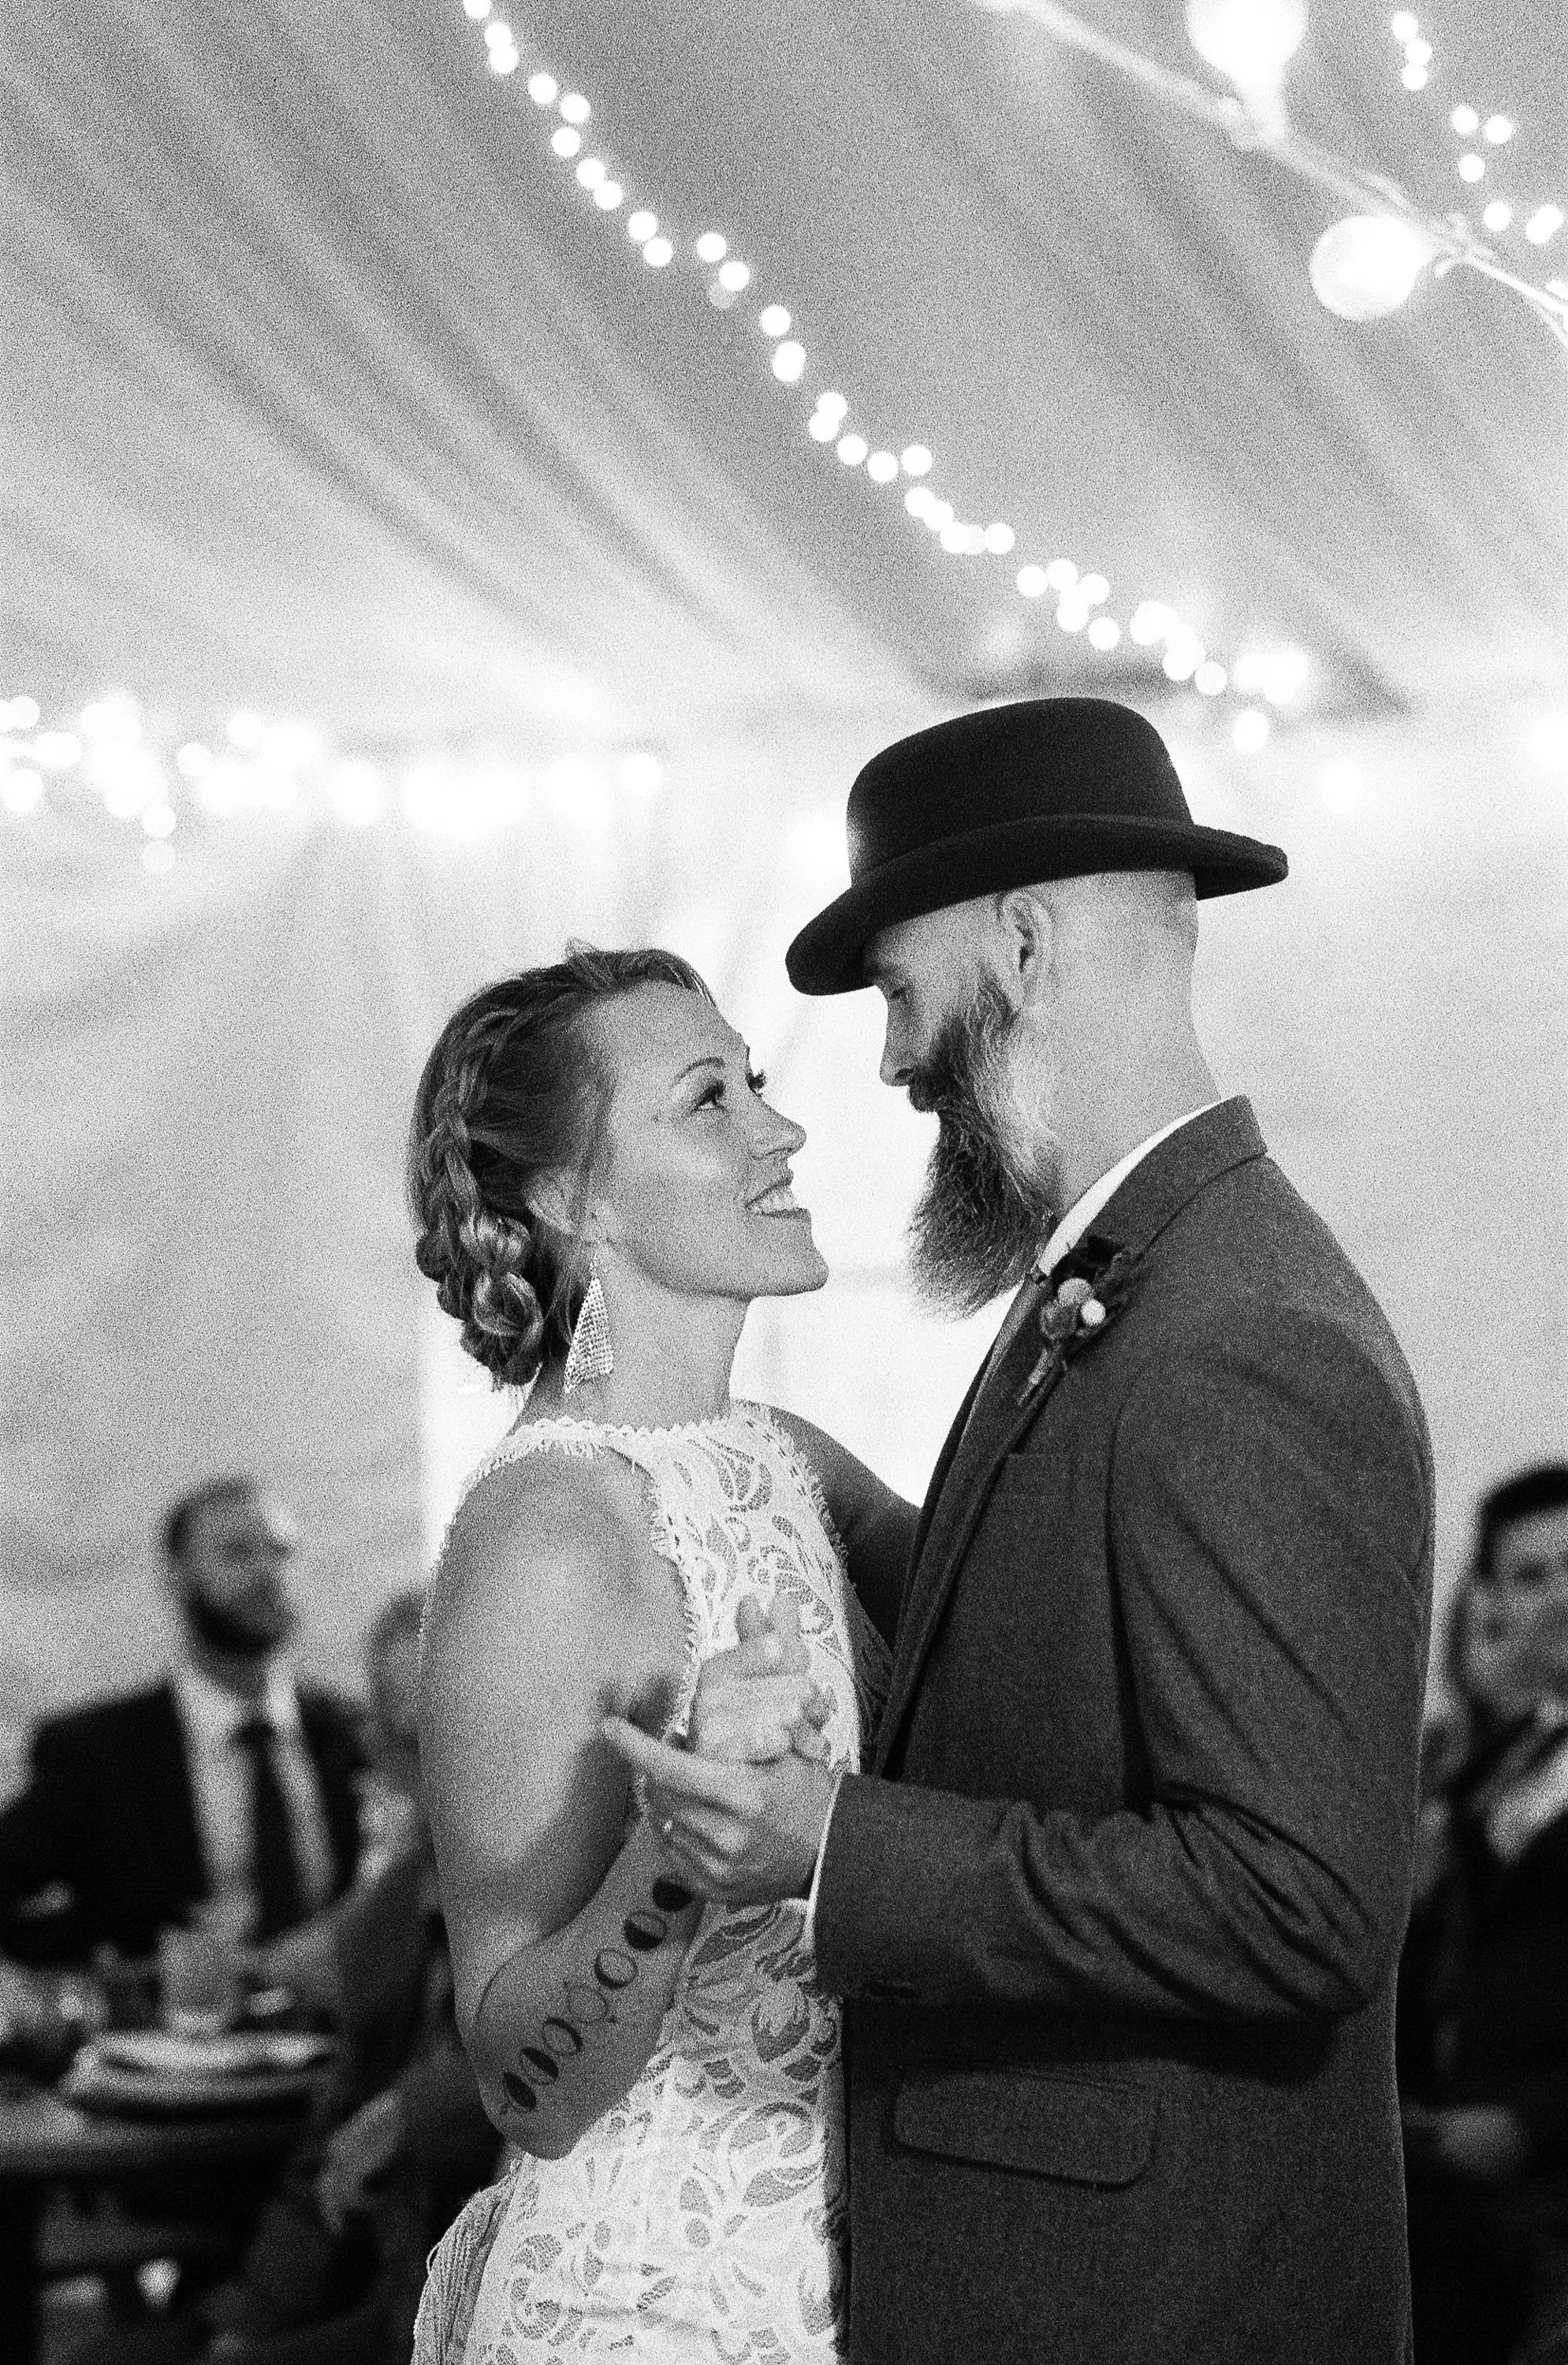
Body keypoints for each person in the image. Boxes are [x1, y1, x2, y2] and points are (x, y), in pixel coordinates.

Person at [607, 698, 1436, 2365]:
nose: (896, 1061)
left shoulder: (1235, 1331)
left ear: (1028, 943)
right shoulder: (1139, 1268)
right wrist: (821, 1492)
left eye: (903, 994)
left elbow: (1294, 1901)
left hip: (1149, 2306)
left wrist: (829, 1850)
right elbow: (1078, 1643)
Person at [408, 946, 909, 2363]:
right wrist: (676, 1849)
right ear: (570, 1201)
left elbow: (1024, 1595)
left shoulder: (778, 1458)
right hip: (647, 2310)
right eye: (708, 1099)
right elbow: (523, 2083)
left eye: (751, 1081)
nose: (779, 1125)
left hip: (827, 2287)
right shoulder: (550, 1534)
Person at [75, 1587, 499, 2365]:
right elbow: (323, 2158)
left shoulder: (571, 1886)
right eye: (412, 1740)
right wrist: (243, 2324)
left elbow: (579, 2057)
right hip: (386, 2298)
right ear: (381, 1751)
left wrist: (416, 2107)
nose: (449, 1768)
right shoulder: (388, 1914)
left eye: (471, 1733)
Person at [0, 1478, 364, 1968]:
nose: (267, 1571)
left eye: (280, 1551)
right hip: (181, 2034)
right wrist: (128, 1966)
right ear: (177, 1580)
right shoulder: (96, 1751)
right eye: (237, 1554)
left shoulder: (347, 1731)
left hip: (344, 2035)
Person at [1401, 1465, 1568, 2365]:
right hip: (1446, 2177)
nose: (1558, 1600)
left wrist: (1532, 2122)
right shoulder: (1494, 1762)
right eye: (1530, 1577)